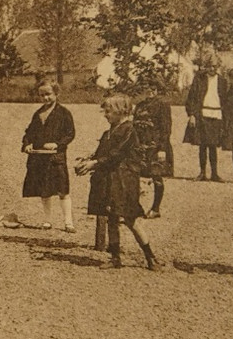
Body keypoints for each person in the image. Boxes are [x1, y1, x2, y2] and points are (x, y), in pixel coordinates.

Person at [75, 93, 164, 271]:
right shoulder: (108, 132)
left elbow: (116, 154)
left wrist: (95, 163)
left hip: (124, 180)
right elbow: (103, 152)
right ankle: (115, 257)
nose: (106, 115)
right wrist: (89, 158)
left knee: (132, 219)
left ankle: (150, 257)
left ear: (121, 111)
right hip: (110, 180)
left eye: (108, 111)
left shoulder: (129, 131)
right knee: (112, 218)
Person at [19, 75, 76, 231]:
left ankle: (68, 222)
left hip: (56, 158)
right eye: (42, 95)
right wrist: (27, 144)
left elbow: (70, 133)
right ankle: (47, 220)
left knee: (62, 189)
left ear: (56, 93)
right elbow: (29, 132)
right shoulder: (38, 114)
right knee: (44, 189)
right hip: (40, 157)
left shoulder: (64, 113)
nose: (45, 97)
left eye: (48, 94)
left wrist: (57, 144)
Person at [184, 55, 231, 181]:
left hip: (216, 116)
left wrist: (225, 119)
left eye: (215, 66)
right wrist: (192, 115)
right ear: (206, 66)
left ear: (218, 67)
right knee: (203, 145)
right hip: (202, 115)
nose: (212, 68)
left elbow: (225, 101)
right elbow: (192, 98)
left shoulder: (222, 81)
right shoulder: (199, 79)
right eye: (210, 66)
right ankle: (202, 172)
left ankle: (214, 173)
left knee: (213, 145)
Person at [133, 90, 174, 219]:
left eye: (153, 88)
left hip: (156, 145)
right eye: (146, 87)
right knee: (135, 174)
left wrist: (162, 148)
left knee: (156, 175)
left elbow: (166, 128)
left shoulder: (163, 105)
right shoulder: (140, 105)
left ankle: (156, 208)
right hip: (140, 144)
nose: (149, 91)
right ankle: (136, 207)